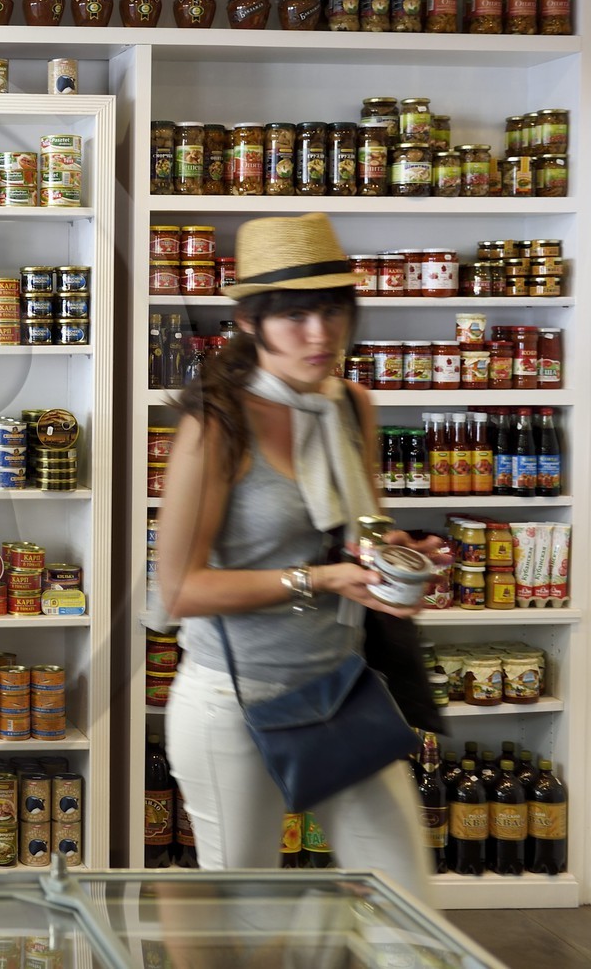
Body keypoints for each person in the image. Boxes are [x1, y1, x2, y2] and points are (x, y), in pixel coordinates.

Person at [155, 212, 446, 900]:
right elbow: (179, 591)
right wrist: (320, 579)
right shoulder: (217, 422)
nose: (320, 335)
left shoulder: (351, 406)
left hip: (337, 688)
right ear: (249, 321)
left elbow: (362, 528)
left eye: (332, 311)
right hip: (232, 701)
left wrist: (394, 556)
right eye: (294, 316)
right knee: (246, 910)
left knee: (404, 899)